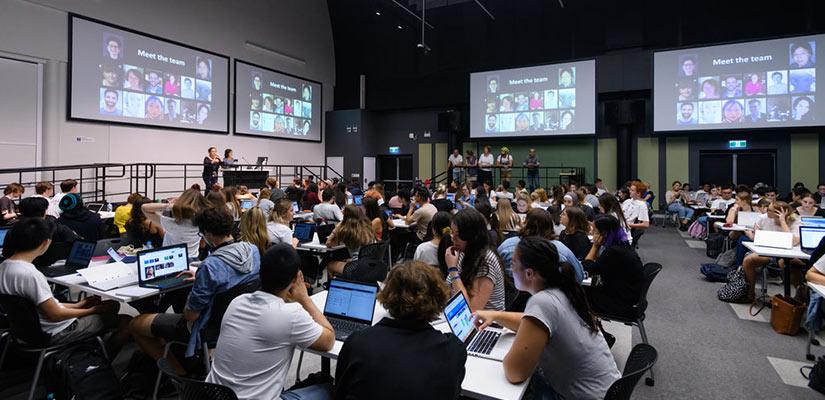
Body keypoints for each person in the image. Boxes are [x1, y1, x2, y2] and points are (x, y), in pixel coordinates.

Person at [472, 237, 620, 399]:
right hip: (605, 390)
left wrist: (508, 352)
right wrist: (495, 315)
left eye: (513, 263)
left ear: (529, 273)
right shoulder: (563, 290)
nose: (510, 268)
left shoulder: (542, 302)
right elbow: (530, 321)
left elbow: (515, 373)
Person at [129, 207, 261, 371]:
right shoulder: (252, 251)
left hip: (205, 329)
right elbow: (232, 276)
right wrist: (201, 276)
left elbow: (191, 315)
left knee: (135, 323)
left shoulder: (210, 266)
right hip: (237, 322)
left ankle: (180, 376)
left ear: (208, 233)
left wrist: (200, 283)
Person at [206, 244, 335, 400]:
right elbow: (328, 340)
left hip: (215, 395)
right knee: (330, 390)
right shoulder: (290, 315)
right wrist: (304, 299)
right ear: (296, 279)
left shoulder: (237, 302)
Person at [335, 261, 466, 399]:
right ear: (438, 298)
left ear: (387, 295)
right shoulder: (453, 349)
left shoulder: (358, 342)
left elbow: (340, 392)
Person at [0, 218, 131, 353]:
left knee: (112, 306)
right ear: (46, 242)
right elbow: (54, 315)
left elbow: (38, 306)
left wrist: (79, 304)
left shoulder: (4, 266)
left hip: (26, 331)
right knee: (127, 321)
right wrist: (94, 310)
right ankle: (102, 361)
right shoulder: (30, 274)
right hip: (54, 333)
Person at [443, 208, 509, 311]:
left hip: (487, 324)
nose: (453, 238)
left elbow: (471, 311)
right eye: (452, 232)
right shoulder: (462, 252)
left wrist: (452, 270)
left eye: (458, 234)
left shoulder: (486, 261)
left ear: (472, 237)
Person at [496, 209, 584, 283]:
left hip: (511, 301)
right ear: (550, 226)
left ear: (525, 223)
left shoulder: (507, 246)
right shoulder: (560, 250)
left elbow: (495, 274)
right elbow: (579, 277)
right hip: (550, 300)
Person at [583, 215, 644, 318]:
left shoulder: (613, 252)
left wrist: (595, 246)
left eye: (596, 231)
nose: (593, 234)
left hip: (620, 303)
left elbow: (587, 268)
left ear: (604, 234)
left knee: (576, 293)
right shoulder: (622, 246)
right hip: (627, 296)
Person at [741, 202, 802, 301]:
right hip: (767, 251)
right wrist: (755, 234)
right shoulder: (764, 218)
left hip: (788, 253)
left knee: (789, 264)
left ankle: (798, 296)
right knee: (749, 260)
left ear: (779, 212)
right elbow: (757, 234)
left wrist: (782, 221)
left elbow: (793, 241)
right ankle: (750, 293)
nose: (766, 211)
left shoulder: (795, 221)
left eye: (769, 210)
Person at [325, 205, 375, 274]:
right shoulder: (367, 226)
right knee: (345, 259)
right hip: (370, 263)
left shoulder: (347, 231)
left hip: (356, 266)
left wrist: (337, 227)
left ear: (346, 217)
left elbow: (328, 244)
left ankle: (335, 283)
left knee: (330, 265)